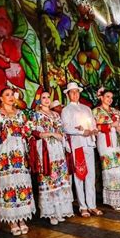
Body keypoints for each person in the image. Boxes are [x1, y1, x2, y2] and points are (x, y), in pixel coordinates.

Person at [0, 87, 35, 236]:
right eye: (7, 95)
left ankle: (22, 218)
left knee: (21, 181)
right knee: (9, 183)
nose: (10, 97)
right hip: (5, 153)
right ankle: (12, 220)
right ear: (0, 99)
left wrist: (27, 129)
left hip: (20, 152)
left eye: (12, 95)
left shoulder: (20, 114)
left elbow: (28, 130)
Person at [32, 91, 73, 225]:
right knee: (49, 179)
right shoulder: (37, 115)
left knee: (60, 180)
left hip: (58, 150)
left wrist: (58, 136)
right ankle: (51, 213)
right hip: (46, 150)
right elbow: (35, 133)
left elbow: (61, 133)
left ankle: (60, 211)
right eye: (43, 98)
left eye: (48, 97)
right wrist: (51, 133)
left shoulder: (56, 114)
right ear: (39, 101)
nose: (46, 99)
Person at [61, 82, 102, 218]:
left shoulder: (86, 109)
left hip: (89, 143)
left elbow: (92, 123)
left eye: (77, 92)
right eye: (72, 92)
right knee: (80, 174)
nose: (75, 94)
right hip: (77, 144)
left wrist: (94, 130)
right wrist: (80, 132)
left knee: (90, 174)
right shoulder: (66, 110)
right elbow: (66, 127)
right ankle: (82, 206)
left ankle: (92, 205)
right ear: (67, 94)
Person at [92, 88, 120, 210]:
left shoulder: (115, 111)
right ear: (101, 97)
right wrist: (110, 125)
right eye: (107, 96)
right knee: (111, 169)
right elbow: (95, 127)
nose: (110, 99)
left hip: (118, 142)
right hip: (106, 142)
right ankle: (113, 200)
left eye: (111, 97)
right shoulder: (96, 111)